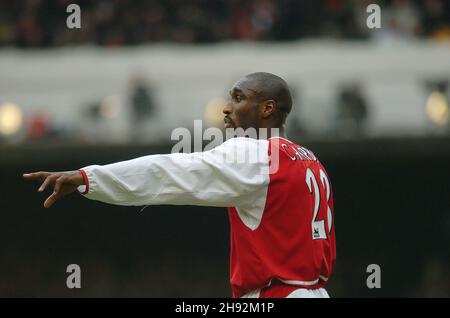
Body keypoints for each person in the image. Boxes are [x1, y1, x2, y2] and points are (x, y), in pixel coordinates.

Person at [23, 72, 336, 298]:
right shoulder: (311, 160)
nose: (227, 108)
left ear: (267, 109)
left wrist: (89, 177)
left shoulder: (256, 152)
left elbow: (169, 171)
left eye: (238, 98)